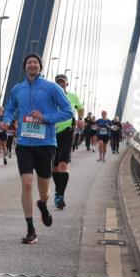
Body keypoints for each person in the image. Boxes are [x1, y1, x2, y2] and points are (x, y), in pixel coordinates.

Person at [1, 54, 73, 244]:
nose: (32, 65)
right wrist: (6, 121)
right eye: (29, 62)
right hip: (24, 143)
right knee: (26, 183)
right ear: (25, 67)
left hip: (46, 143)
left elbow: (69, 111)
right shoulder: (18, 89)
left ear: (40, 67)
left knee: (44, 191)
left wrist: (46, 117)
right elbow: (10, 109)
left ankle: (43, 204)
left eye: (35, 62)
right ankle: (30, 229)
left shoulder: (52, 87)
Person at [51, 73, 84, 210]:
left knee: (63, 164)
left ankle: (60, 195)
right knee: (54, 167)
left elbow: (80, 108)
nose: (60, 83)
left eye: (63, 81)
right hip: (51, 132)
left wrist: (80, 119)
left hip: (67, 132)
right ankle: (58, 191)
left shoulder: (73, 96)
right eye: (58, 81)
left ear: (67, 83)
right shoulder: (50, 96)